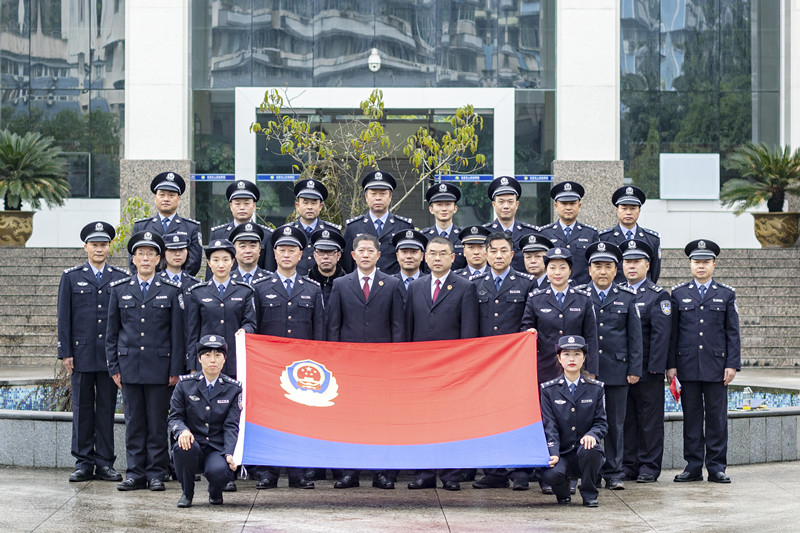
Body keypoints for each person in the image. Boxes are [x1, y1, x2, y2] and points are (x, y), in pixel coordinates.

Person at [106, 231, 185, 491]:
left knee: (157, 423)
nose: (146, 258)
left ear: (159, 259)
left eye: (151, 254)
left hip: (159, 368)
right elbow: (112, 333)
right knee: (134, 423)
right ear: (133, 258)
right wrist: (114, 367)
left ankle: (155, 474)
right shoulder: (120, 290)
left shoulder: (171, 291)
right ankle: (135, 472)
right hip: (129, 367)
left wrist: (175, 369)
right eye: (141, 253)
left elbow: (177, 334)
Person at [327, 233, 406, 489]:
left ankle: (382, 472)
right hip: (349, 366)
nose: (365, 254)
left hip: (383, 366)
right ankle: (349, 472)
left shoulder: (392, 284)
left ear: (378, 255)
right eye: (360, 250)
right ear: (352, 255)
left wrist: (395, 361)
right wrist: (336, 360)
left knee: (382, 419)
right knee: (350, 419)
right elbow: (334, 327)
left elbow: (398, 327)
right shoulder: (341, 284)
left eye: (370, 250)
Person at [250, 225, 324, 490]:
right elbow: (253, 325)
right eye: (282, 249)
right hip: (269, 367)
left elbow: (319, 333)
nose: (286, 254)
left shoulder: (312, 289)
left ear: (301, 254)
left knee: (299, 420)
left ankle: (298, 472)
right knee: (268, 419)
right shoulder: (260, 288)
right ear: (274, 252)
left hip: (302, 369)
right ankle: (267, 472)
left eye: (292, 250)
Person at [406, 236, 479, 491]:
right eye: (432, 253)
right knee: (422, 420)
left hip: (452, 369)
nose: (437, 258)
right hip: (421, 369)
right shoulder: (415, 287)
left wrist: (463, 367)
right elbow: (408, 329)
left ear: (453, 257)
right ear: (425, 257)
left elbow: (469, 332)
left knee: (451, 421)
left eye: (442, 254)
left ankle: (451, 474)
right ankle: (424, 473)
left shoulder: (465, 287)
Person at [57, 221, 128, 483]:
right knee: (83, 409)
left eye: (104, 244)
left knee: (107, 409)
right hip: (82, 354)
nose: (99, 249)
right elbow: (64, 318)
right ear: (85, 247)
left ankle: (105, 462)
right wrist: (65, 352)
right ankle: (83, 462)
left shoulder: (120, 277)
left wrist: (121, 355)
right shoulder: (71, 277)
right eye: (94, 245)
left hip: (110, 357)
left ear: (109, 247)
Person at [668, 239, 740, 484]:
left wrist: (732, 364)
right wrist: (672, 365)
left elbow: (732, 332)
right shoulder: (678, 294)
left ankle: (717, 466)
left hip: (717, 367)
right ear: (690, 265)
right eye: (696, 262)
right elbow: (673, 333)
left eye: (705, 262)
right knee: (692, 418)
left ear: (714, 264)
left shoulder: (726, 294)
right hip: (687, 365)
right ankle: (693, 465)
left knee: (717, 419)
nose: (701, 266)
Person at [470, 232, 535, 490]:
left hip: (514, 364)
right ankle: (494, 471)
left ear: (512, 254)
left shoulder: (526, 283)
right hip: (484, 364)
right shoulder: (474, 283)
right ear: (486, 254)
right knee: (488, 415)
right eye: (493, 250)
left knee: (517, 415)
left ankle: (520, 471)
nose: (498, 255)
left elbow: (528, 321)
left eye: (503, 251)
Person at [577, 242, 642, 490]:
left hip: (617, 371)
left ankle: (614, 472)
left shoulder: (626, 297)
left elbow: (635, 337)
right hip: (586, 372)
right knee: (585, 424)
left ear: (616, 270)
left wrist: (634, 369)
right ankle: (588, 472)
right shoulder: (580, 295)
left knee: (616, 424)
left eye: (607, 267)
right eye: (597, 266)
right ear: (589, 269)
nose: (602, 272)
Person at [620, 239, 672, 483]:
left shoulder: (657, 296)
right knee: (627, 420)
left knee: (649, 421)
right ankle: (629, 464)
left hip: (647, 371)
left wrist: (654, 370)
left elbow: (661, 337)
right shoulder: (619, 292)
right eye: (627, 262)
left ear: (648, 265)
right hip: (623, 369)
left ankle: (649, 466)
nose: (632, 266)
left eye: (637, 262)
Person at [169, 335, 241, 508]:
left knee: (220, 472)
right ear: (200, 359)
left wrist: (231, 452)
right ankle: (187, 492)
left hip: (217, 448)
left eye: (218, 355)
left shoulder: (233, 388)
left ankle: (215, 490)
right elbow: (175, 417)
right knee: (182, 447)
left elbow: (232, 424)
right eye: (207, 355)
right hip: (193, 444)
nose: (212, 360)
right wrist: (182, 431)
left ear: (224, 359)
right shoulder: (185, 385)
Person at [540, 336, 608, 508]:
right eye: (566, 354)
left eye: (577, 354)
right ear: (559, 358)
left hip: (583, 453)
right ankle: (562, 493)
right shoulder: (548, 390)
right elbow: (550, 426)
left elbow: (601, 422)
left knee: (591, 449)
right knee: (552, 475)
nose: (572, 359)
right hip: (561, 453)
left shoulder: (596, 388)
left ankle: (589, 493)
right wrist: (553, 452)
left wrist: (592, 434)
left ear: (584, 358)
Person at [521, 247, 599, 385]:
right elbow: (526, 330)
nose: (557, 272)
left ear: (570, 271)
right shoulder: (535, 299)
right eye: (552, 268)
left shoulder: (584, 299)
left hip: (577, 369)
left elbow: (591, 337)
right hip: (544, 368)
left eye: (562, 268)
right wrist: (530, 333)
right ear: (546, 270)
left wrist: (591, 371)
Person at [185, 239, 257, 380]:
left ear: (232, 261)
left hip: (235, 360)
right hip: (206, 362)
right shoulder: (198, 292)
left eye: (225, 259)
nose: (221, 265)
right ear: (209, 263)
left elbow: (251, 323)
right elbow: (192, 332)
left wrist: (245, 330)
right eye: (216, 260)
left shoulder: (244, 291)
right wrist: (193, 366)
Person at [342, 170, 413, 274]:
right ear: (366, 197)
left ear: (390, 197)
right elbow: (347, 264)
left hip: (394, 286)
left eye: (383, 194)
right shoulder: (353, 227)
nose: (378, 198)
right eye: (373, 194)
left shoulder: (403, 226)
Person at [132, 171, 202, 276]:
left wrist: (174, 281)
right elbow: (134, 261)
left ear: (179, 199)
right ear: (155, 198)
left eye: (171, 195)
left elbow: (194, 262)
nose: (166, 199)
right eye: (162, 194)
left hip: (180, 287)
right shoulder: (141, 226)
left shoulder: (191, 227)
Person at [207, 179, 275, 277]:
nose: (242, 208)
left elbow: (269, 269)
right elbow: (211, 272)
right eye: (237, 203)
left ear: (254, 205)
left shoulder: (267, 234)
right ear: (231, 206)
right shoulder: (218, 234)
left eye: (246, 203)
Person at [538, 181, 598, 285]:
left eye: (572, 203)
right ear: (556, 206)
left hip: (582, 291)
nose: (568, 208)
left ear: (579, 206)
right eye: (564, 204)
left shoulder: (590, 234)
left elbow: (595, 265)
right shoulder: (544, 233)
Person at [598, 186, 662, 284]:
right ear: (617, 210)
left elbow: (654, 272)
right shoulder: (604, 238)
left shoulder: (652, 239)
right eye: (624, 208)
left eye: (633, 208)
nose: (628, 212)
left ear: (639, 210)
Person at [482, 176, 537, 272]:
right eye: (501, 202)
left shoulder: (530, 233)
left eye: (510, 202)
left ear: (517, 205)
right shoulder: (484, 233)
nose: (506, 206)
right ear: (494, 205)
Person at [290, 178, 342, 276]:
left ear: (320, 206)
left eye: (314, 203)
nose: (309, 207)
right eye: (305, 202)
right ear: (297, 205)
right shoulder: (289, 232)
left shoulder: (332, 231)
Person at [420, 182, 465, 270]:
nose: (444, 209)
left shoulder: (463, 237)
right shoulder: (423, 237)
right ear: (431, 209)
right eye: (439, 205)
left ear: (455, 208)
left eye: (448, 204)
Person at [306, 227, 347, 305]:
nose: (325, 257)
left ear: (339, 255)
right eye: (321, 252)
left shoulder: (349, 285)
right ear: (314, 255)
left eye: (330, 252)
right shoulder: (305, 285)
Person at [392, 228, 427, 302]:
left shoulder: (430, 284)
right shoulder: (389, 284)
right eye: (404, 252)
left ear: (422, 256)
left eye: (414, 252)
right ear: (397, 256)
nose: (409, 256)